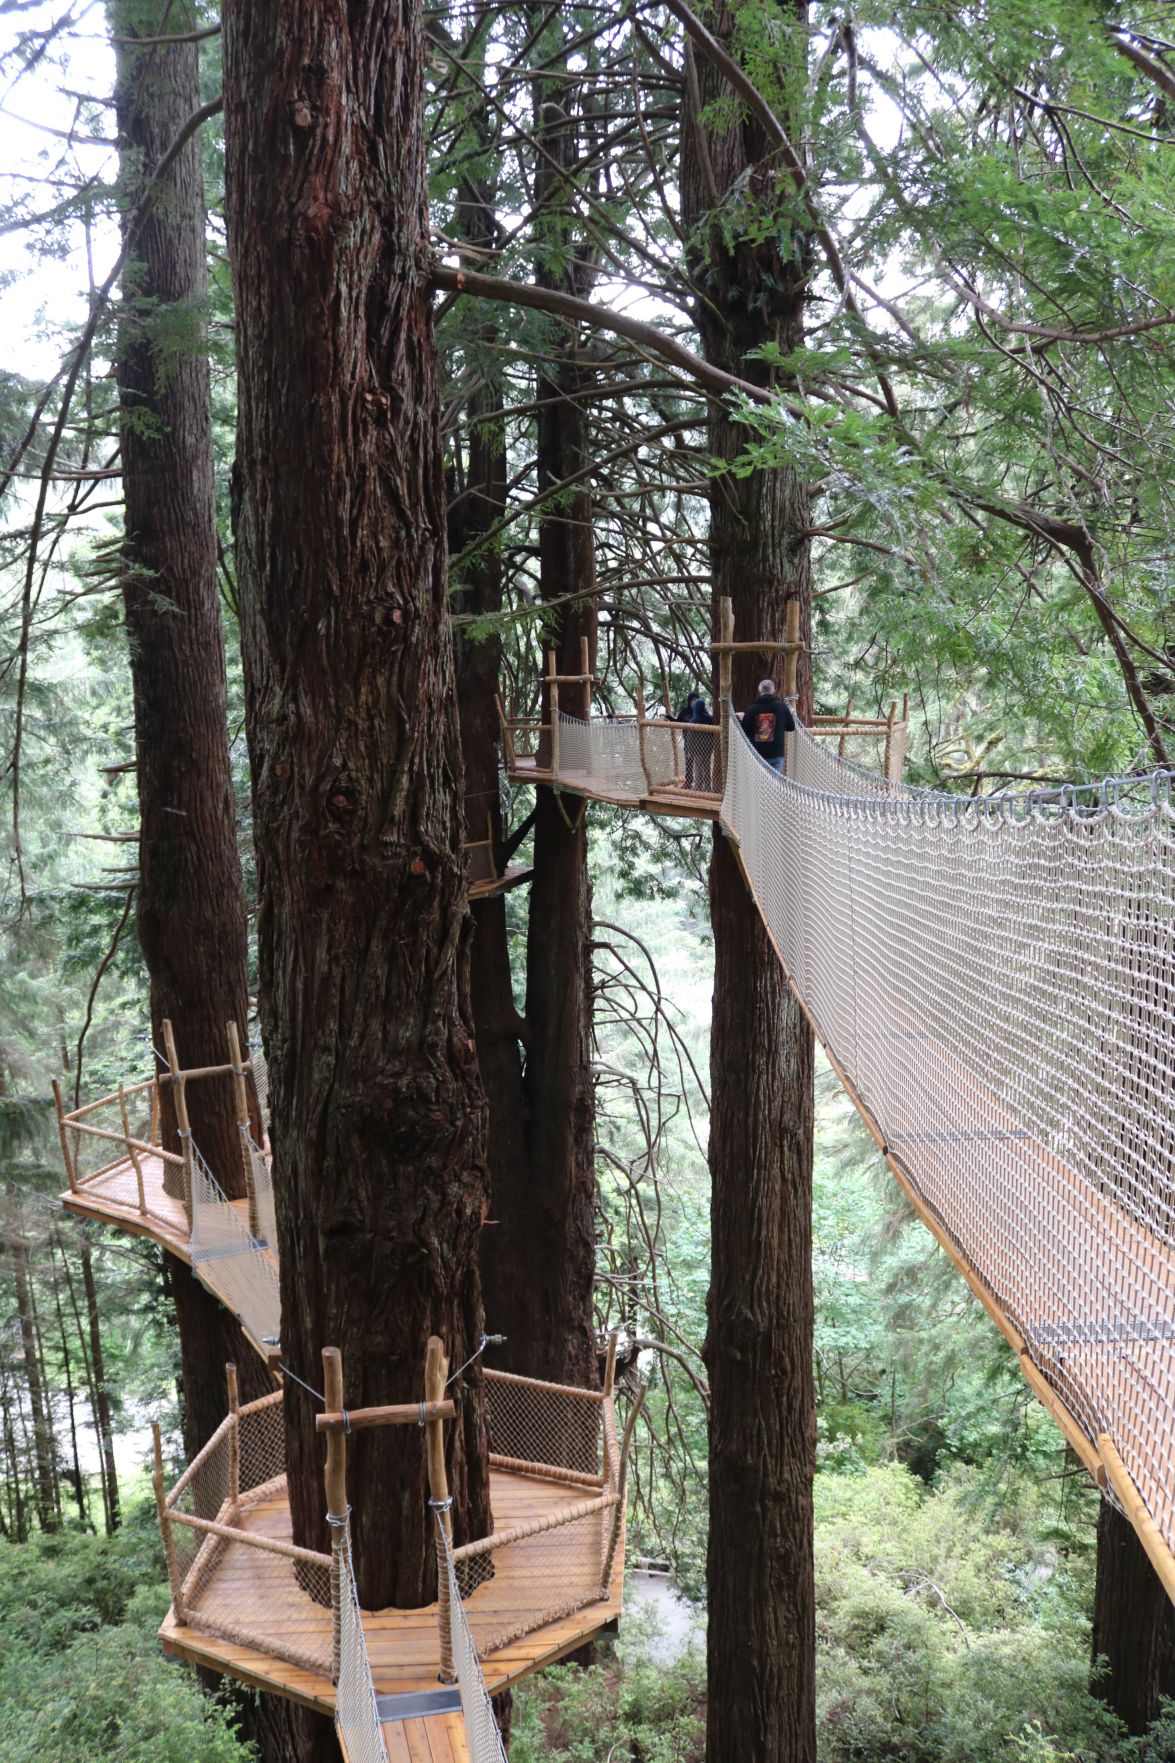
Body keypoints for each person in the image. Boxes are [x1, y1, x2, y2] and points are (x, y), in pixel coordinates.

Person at [740, 678, 795, 773]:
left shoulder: (751, 709)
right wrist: (784, 718)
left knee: (760, 782)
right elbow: (791, 727)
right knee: (773, 783)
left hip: (758, 754)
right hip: (776, 753)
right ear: (773, 690)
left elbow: (745, 731)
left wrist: (742, 718)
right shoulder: (782, 707)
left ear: (759, 690)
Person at [684, 696, 716, 791]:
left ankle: (697, 787)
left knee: (697, 768)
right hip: (707, 749)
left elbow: (690, 738)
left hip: (697, 750)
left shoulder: (693, 720)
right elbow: (712, 735)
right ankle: (707, 787)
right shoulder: (709, 719)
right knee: (706, 768)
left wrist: (689, 750)